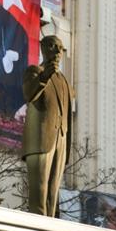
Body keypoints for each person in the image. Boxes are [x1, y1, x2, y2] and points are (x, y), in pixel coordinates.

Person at [23, 36, 73, 217]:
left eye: (61, 48)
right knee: (40, 190)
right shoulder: (34, 71)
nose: (58, 51)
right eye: (53, 46)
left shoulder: (64, 81)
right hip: (41, 139)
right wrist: (44, 76)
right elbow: (29, 94)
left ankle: (49, 230)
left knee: (53, 191)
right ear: (43, 48)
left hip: (61, 138)